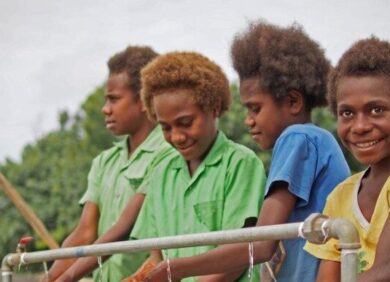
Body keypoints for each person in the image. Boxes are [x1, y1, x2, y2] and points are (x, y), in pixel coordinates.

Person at [141, 21, 350, 282]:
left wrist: (177, 268)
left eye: (255, 108)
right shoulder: (315, 140)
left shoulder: (298, 138)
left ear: (293, 101)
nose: (248, 120)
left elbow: (261, 244)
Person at [121, 51, 267, 282]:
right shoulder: (161, 173)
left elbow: (238, 257)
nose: (177, 137)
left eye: (186, 123)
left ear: (214, 108)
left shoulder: (240, 164)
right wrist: (139, 277)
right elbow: (157, 257)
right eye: (166, 128)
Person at [46, 45, 174, 282]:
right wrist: (51, 276)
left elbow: (123, 230)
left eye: (114, 99)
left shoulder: (168, 153)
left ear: (145, 101)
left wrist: (68, 277)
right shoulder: (104, 162)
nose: (105, 109)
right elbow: (85, 232)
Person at [304, 37, 390, 282]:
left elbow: (386, 270)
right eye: (347, 113)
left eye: (376, 110)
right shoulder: (341, 196)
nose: (360, 126)